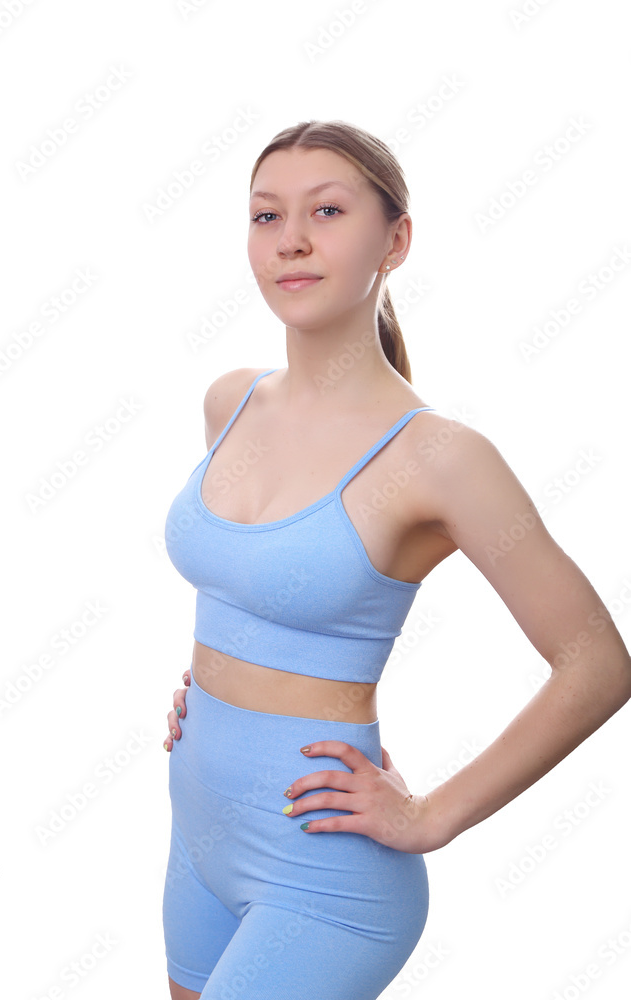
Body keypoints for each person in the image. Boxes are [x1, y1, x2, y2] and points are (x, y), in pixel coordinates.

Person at [160, 119, 631, 1000]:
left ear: (395, 239)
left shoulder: (439, 459)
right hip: (196, 841)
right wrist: (214, 687)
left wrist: (430, 815)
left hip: (326, 878)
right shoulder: (229, 403)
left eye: (326, 210)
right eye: (266, 217)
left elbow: (597, 664)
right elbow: (245, 588)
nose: (290, 240)